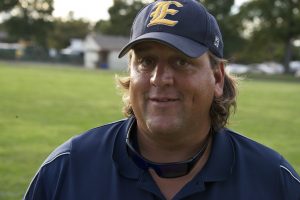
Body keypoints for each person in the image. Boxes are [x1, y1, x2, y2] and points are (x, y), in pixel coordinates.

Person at [24, 0, 300, 199]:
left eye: (181, 61)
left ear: (217, 78)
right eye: (146, 61)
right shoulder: (68, 169)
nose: (159, 78)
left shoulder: (273, 179)